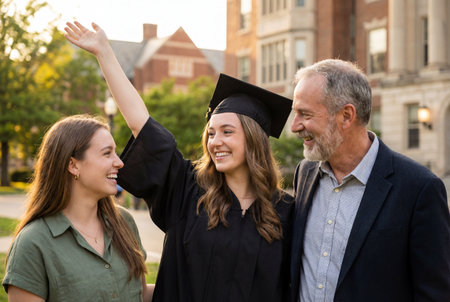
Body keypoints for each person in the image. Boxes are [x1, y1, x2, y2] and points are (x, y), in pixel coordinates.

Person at [64, 21, 294, 302]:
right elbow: (141, 124)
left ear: (254, 139)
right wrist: (105, 53)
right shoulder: (187, 190)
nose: (215, 141)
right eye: (210, 133)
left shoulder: (285, 211)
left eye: (227, 132)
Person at [289, 59, 450, 302]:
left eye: (305, 114)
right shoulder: (305, 173)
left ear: (346, 115)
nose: (294, 126)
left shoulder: (419, 189)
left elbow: (434, 293)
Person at [2, 115, 154, 302]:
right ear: (73, 165)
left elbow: (140, 294)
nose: (119, 162)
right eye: (107, 153)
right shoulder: (32, 243)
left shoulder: (124, 221)